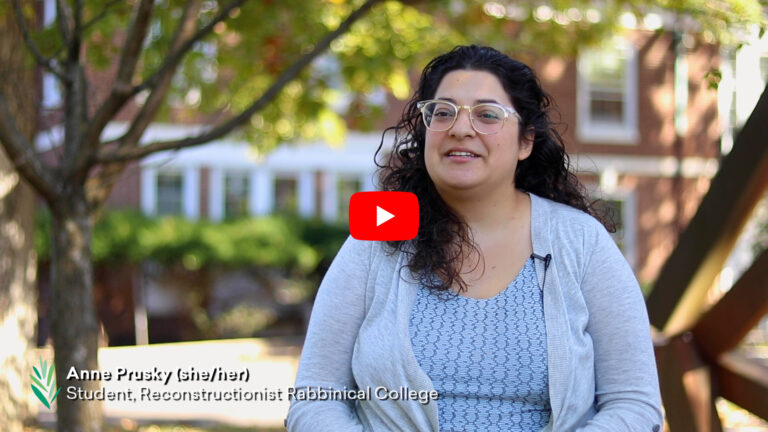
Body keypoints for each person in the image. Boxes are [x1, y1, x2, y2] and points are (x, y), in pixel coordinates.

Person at [286, 45, 662, 431]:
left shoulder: (580, 242)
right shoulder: (377, 238)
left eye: (487, 115)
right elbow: (315, 399)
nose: (460, 128)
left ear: (525, 141)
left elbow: (634, 404)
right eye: (443, 112)